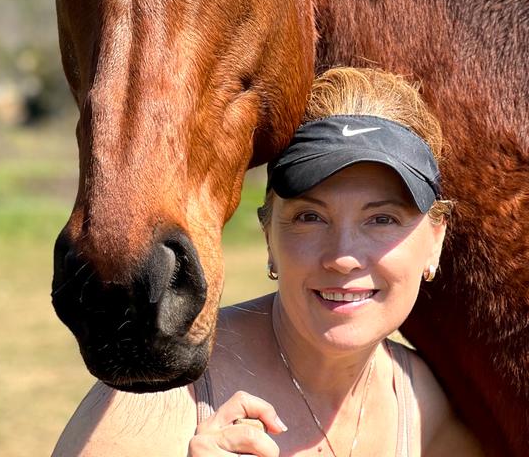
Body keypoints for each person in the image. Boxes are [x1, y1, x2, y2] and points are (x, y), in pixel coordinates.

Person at [52, 67, 483, 456]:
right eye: (310, 217)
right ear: (269, 238)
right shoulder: (163, 394)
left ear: (436, 241)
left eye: (382, 219)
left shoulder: (426, 410)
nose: (343, 256)